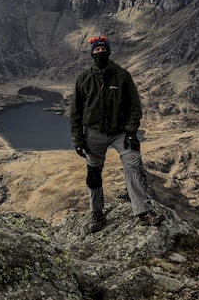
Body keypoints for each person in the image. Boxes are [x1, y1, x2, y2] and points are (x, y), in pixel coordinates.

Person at [70, 35, 164, 233]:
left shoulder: (122, 75)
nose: (100, 53)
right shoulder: (84, 79)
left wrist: (131, 132)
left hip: (121, 133)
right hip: (94, 133)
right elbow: (75, 112)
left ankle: (143, 211)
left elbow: (134, 106)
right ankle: (97, 213)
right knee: (93, 174)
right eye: (96, 50)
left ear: (109, 51)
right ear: (91, 53)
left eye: (103, 49)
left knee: (134, 164)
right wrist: (78, 139)